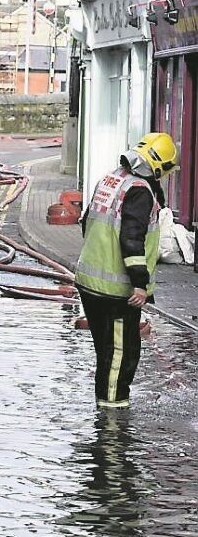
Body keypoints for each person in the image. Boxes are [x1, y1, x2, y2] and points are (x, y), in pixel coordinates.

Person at [75, 132, 178, 410]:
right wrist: (139, 284)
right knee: (121, 356)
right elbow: (131, 241)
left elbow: (86, 222)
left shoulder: (112, 179)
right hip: (117, 292)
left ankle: (107, 407)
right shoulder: (139, 191)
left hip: (90, 283)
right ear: (158, 167)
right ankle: (112, 421)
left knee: (107, 353)